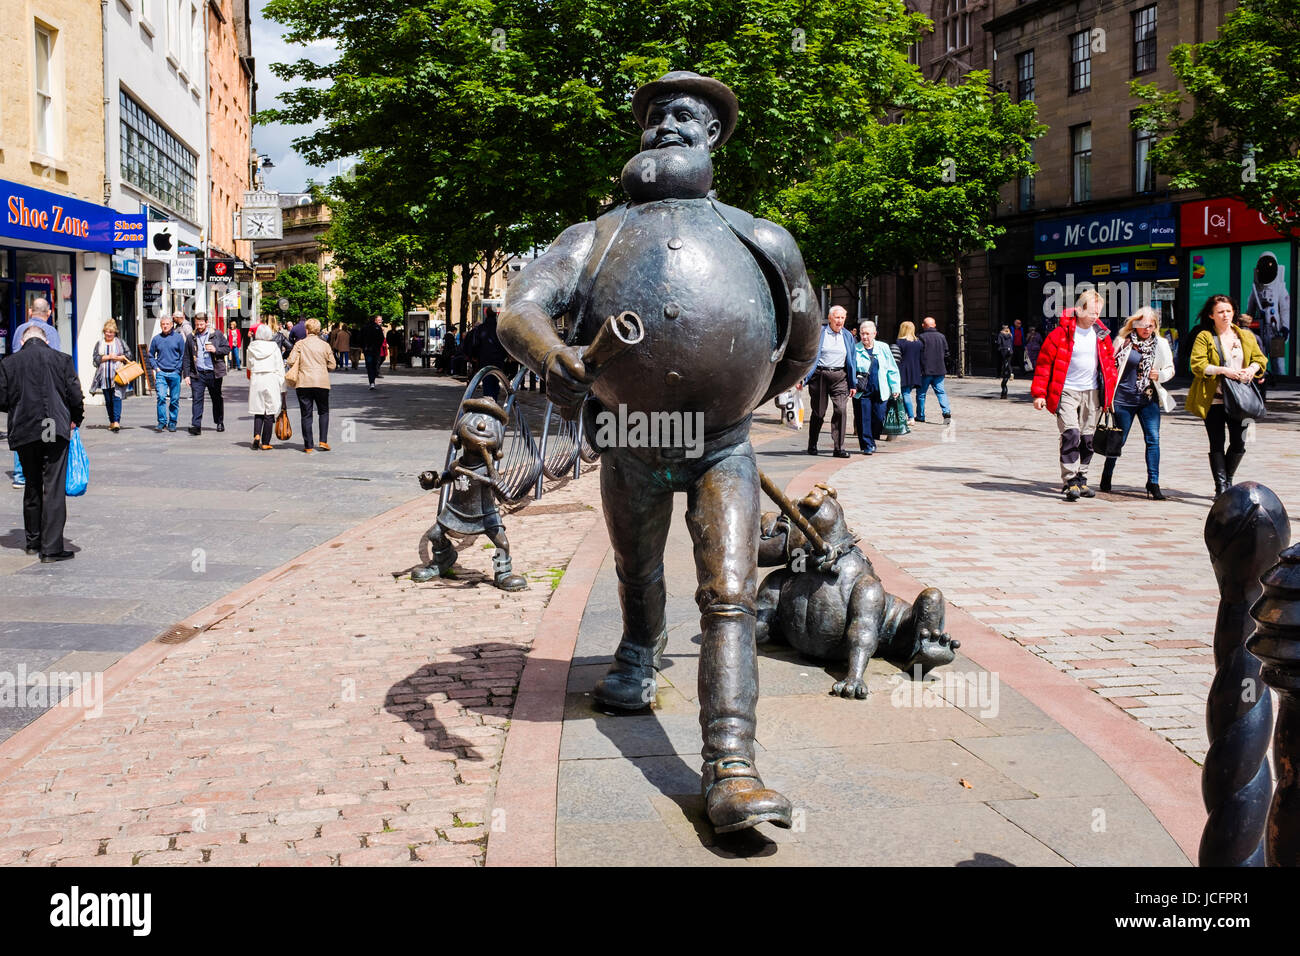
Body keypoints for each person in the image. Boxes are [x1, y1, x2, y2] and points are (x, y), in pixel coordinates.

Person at [497, 71, 822, 833]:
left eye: (684, 116)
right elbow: (522, 308)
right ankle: (640, 655)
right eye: (653, 118)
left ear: (714, 137)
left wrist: (736, 398)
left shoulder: (761, 237)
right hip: (634, 441)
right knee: (635, 564)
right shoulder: (596, 235)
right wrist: (557, 359)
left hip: (721, 447)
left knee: (730, 590)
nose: (664, 126)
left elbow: (800, 347)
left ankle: (731, 768)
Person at [0, 324, 83, 562]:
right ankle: (51, 547)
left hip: (26, 429)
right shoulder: (61, 359)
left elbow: (2, 399)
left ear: (23, 341)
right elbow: (75, 395)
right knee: (53, 486)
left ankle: (32, 541)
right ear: (46, 341)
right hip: (53, 427)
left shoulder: (8, 363)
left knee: (32, 483)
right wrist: (76, 418)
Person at [1031, 289, 1119, 501]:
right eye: (1091, 312)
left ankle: (1082, 478)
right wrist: (1039, 394)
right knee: (1071, 433)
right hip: (1067, 390)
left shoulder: (1101, 335)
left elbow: (1109, 365)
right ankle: (1070, 481)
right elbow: (1044, 365)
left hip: (1093, 392)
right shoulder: (1060, 334)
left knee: (1087, 438)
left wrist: (1109, 394)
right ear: (1079, 310)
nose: (1095, 317)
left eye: (1098, 313)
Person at [1187, 294, 1268, 496]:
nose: (1225, 315)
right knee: (1216, 441)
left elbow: (1260, 359)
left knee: (1240, 442)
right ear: (1211, 315)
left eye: (1228, 311)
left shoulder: (1246, 336)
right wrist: (1224, 371)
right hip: (1214, 399)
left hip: (1242, 401)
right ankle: (1221, 487)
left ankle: (1228, 478)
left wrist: (1252, 368)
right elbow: (1198, 365)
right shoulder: (1205, 336)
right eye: (1220, 312)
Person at [1098, 307, 1174, 500]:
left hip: (1148, 399)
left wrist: (1161, 375)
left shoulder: (1161, 344)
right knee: (1118, 441)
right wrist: (1106, 398)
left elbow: (1170, 368)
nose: (1147, 329)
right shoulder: (1123, 342)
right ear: (1135, 324)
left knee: (1153, 440)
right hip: (1123, 399)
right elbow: (1109, 369)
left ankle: (1153, 482)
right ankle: (1107, 475)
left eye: (1151, 325)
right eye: (1142, 325)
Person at [797, 305, 857, 458]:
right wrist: (801, 378)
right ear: (830, 318)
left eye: (842, 318)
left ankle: (839, 448)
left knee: (841, 410)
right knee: (818, 412)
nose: (840, 321)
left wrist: (853, 383)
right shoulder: (820, 333)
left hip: (840, 377)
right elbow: (809, 355)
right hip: (820, 376)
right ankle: (812, 443)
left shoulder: (848, 336)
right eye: (837, 317)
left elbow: (852, 360)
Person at [286, 318, 337, 453]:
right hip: (321, 382)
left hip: (303, 382)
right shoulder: (325, 345)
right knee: (324, 411)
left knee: (306, 414)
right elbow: (332, 364)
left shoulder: (300, 344)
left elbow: (290, 361)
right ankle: (323, 441)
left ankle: (308, 445)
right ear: (319, 330)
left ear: (307, 330)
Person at [853, 320, 900, 455]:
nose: (865, 337)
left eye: (868, 333)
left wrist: (895, 387)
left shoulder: (883, 347)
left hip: (881, 389)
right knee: (863, 418)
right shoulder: (855, 349)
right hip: (862, 390)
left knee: (879, 417)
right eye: (862, 334)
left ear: (874, 334)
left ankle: (872, 437)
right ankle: (867, 445)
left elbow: (892, 368)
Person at [182, 312, 231, 435]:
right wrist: (186, 375)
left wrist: (216, 350)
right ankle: (196, 425)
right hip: (197, 373)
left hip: (213, 373)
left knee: (216, 398)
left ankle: (219, 421)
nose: (199, 326)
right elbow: (187, 357)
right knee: (197, 399)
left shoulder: (216, 334)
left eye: (201, 324)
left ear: (206, 322)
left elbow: (227, 349)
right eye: (197, 324)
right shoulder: (191, 337)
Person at [246, 325, 286, 449]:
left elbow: (249, 365)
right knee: (270, 410)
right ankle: (266, 442)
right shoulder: (274, 347)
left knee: (258, 409)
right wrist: (283, 386)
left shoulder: (251, 347)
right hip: (271, 378)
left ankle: (257, 435)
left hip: (257, 378)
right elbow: (279, 366)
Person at [148, 313, 185, 432]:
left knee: (174, 399)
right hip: (161, 373)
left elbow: (183, 355)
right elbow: (150, 355)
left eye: (167, 324)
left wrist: (178, 369)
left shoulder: (178, 338)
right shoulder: (156, 339)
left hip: (175, 373)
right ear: (160, 325)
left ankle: (172, 422)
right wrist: (156, 368)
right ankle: (162, 422)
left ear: (172, 324)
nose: (165, 326)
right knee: (161, 397)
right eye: (163, 324)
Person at [91, 319, 130, 432]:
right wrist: (108, 357)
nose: (108, 334)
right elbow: (95, 360)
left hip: (118, 376)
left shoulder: (120, 343)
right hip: (104, 377)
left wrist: (118, 357)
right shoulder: (99, 344)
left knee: (116, 398)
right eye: (107, 331)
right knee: (108, 401)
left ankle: (117, 421)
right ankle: (112, 421)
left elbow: (129, 356)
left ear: (115, 333)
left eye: (111, 332)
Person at [917, 316, 952, 423]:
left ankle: (920, 416)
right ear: (935, 325)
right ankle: (946, 413)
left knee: (921, 394)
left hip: (925, 370)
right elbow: (947, 353)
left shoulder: (921, 337)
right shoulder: (942, 336)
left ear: (923, 325)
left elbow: (918, 353)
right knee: (941, 392)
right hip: (939, 369)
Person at [895, 320, 922, 423]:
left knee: (905, 393)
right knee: (906, 393)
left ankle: (910, 417)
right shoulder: (918, 343)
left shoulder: (900, 342)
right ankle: (906, 415)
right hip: (915, 371)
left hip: (903, 370)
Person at [357, 314, 384, 389]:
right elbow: (381, 338)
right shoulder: (377, 328)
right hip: (376, 350)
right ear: (374, 320)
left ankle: (371, 382)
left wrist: (363, 347)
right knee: (375, 363)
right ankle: (374, 375)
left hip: (367, 350)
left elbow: (359, 338)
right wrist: (378, 346)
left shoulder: (364, 328)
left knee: (369, 366)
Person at [995, 323, 1014, 399]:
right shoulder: (1010, 334)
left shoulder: (1000, 334)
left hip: (1004, 351)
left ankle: (1003, 374)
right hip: (1010, 351)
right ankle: (1011, 373)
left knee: (1004, 363)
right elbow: (1011, 342)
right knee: (1008, 363)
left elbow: (999, 342)